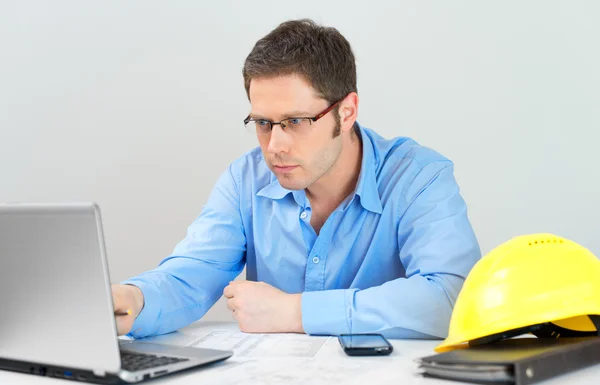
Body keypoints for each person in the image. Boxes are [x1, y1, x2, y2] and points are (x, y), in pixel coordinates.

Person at [112, 19, 481, 340]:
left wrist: (295, 312)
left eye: (296, 122)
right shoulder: (245, 180)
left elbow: (452, 296)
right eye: (262, 123)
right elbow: (192, 274)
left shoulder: (418, 178)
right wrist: (132, 301)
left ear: (347, 111)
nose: (275, 146)